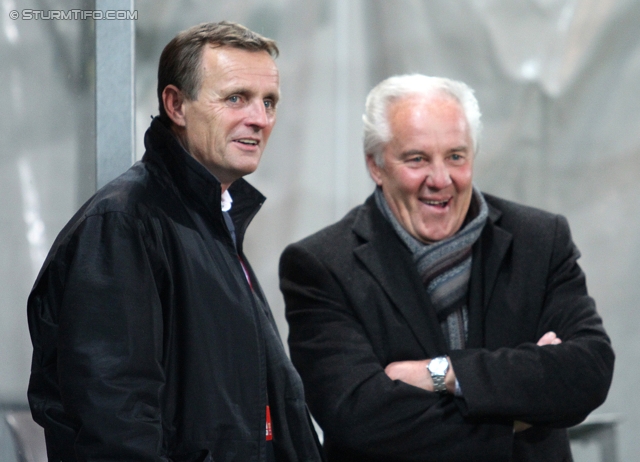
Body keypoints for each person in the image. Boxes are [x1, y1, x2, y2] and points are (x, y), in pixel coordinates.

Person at [27, 21, 323, 462]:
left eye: (269, 102)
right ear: (176, 105)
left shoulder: (211, 221)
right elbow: (116, 425)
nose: (259, 119)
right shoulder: (123, 225)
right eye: (236, 98)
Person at [279, 74, 614, 461]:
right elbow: (358, 415)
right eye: (417, 159)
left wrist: (442, 373)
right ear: (376, 165)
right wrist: (515, 416)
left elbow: (587, 370)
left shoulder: (539, 240)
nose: (440, 180)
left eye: (456, 156)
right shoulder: (321, 265)